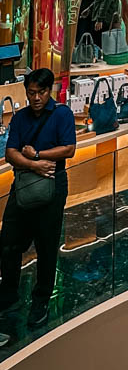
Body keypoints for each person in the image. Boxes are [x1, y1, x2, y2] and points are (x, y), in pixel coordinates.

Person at [0, 69, 76, 328]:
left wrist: (36, 155)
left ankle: (41, 299)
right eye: (31, 93)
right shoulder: (20, 118)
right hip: (23, 184)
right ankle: (9, 294)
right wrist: (34, 164)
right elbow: (11, 153)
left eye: (40, 92)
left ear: (49, 91)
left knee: (46, 244)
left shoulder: (61, 113)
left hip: (53, 186)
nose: (36, 98)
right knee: (8, 242)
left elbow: (69, 148)